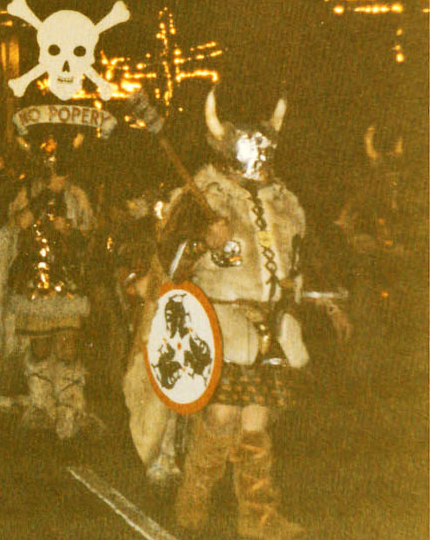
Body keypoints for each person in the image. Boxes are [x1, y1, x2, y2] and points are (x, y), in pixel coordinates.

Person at [123, 90, 351, 539]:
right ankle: (193, 502)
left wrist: (328, 302)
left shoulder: (285, 201)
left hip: (273, 325)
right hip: (223, 325)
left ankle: (259, 517)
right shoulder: (203, 193)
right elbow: (169, 257)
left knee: (256, 424)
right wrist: (202, 239)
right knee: (223, 417)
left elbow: (303, 262)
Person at [0, 133, 95, 440]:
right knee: (41, 346)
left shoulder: (78, 196)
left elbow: (90, 234)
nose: (56, 175)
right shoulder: (27, 193)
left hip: (68, 281)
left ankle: (70, 406)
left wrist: (70, 230)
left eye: (60, 170)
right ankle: (41, 405)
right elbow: (17, 223)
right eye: (51, 170)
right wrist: (43, 199)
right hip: (35, 284)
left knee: (68, 345)